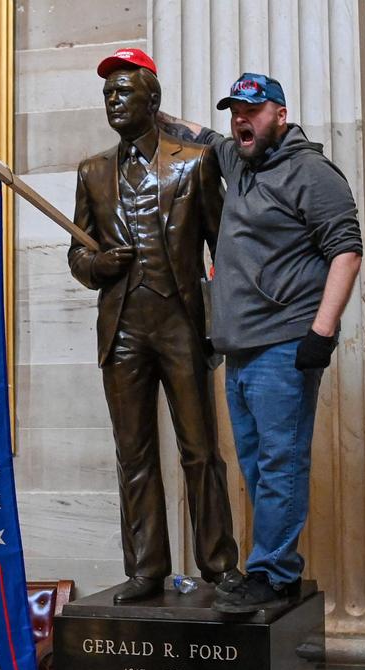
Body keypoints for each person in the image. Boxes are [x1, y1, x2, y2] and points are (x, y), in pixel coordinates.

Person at [158, 72, 363, 614]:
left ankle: (271, 573)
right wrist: (148, 103)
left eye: (254, 109)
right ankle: (279, 567)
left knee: (280, 462)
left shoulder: (311, 172)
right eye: (236, 111)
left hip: (285, 343)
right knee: (255, 463)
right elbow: (200, 135)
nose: (241, 120)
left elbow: (347, 250)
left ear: (281, 114)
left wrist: (321, 333)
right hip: (241, 348)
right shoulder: (239, 162)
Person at [67, 48, 240, 604]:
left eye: (124, 92)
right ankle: (146, 568)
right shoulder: (92, 171)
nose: (113, 102)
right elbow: (78, 256)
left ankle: (217, 565)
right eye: (108, 95)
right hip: (122, 332)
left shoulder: (194, 162)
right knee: (134, 454)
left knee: (201, 449)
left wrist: (227, 327)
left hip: (180, 325)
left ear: (153, 99)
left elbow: (224, 251)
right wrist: (98, 265)